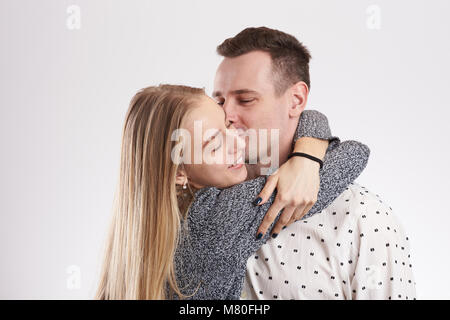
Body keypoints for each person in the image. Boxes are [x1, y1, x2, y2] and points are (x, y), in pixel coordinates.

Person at [94, 84, 369, 300]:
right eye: (213, 145)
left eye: (227, 126)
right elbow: (353, 154)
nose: (237, 143)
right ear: (179, 173)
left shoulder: (143, 232)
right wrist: (306, 163)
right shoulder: (216, 217)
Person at [214, 27, 416, 300]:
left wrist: (307, 157)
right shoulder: (199, 199)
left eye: (246, 100)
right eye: (219, 100)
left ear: (296, 100)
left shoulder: (363, 220)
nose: (226, 115)